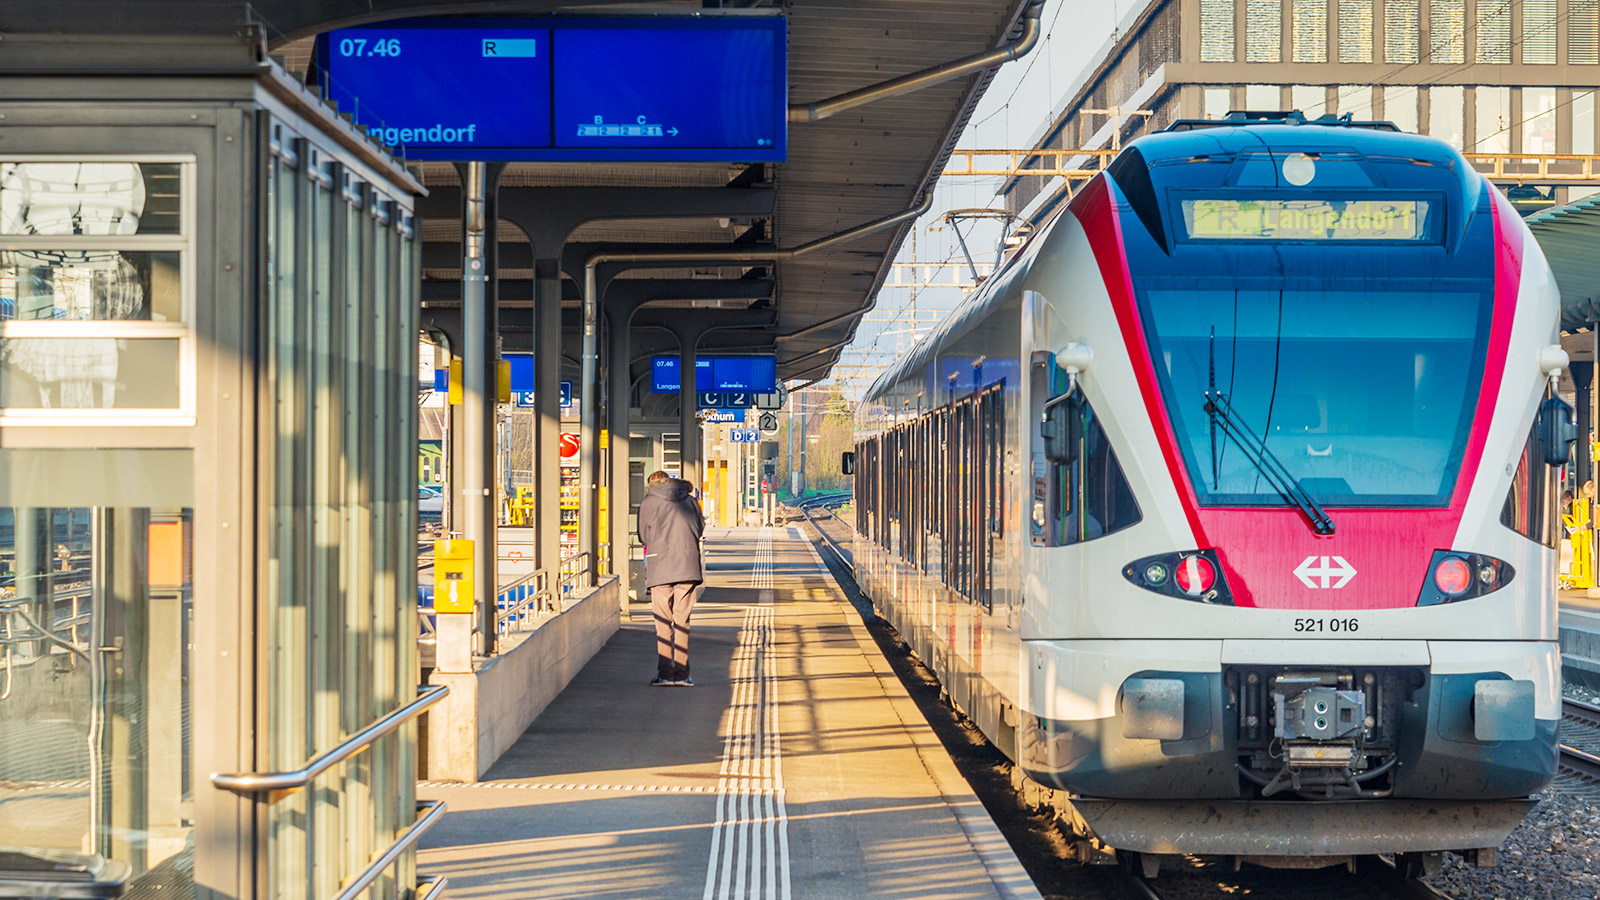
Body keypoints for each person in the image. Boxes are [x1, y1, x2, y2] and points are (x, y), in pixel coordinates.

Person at [638, 470, 705, 686]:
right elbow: (700, 528)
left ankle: (666, 675)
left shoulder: (649, 503)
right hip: (687, 565)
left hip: (660, 567)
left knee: (663, 622)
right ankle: (683, 676)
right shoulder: (691, 500)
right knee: (682, 621)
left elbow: (643, 536)